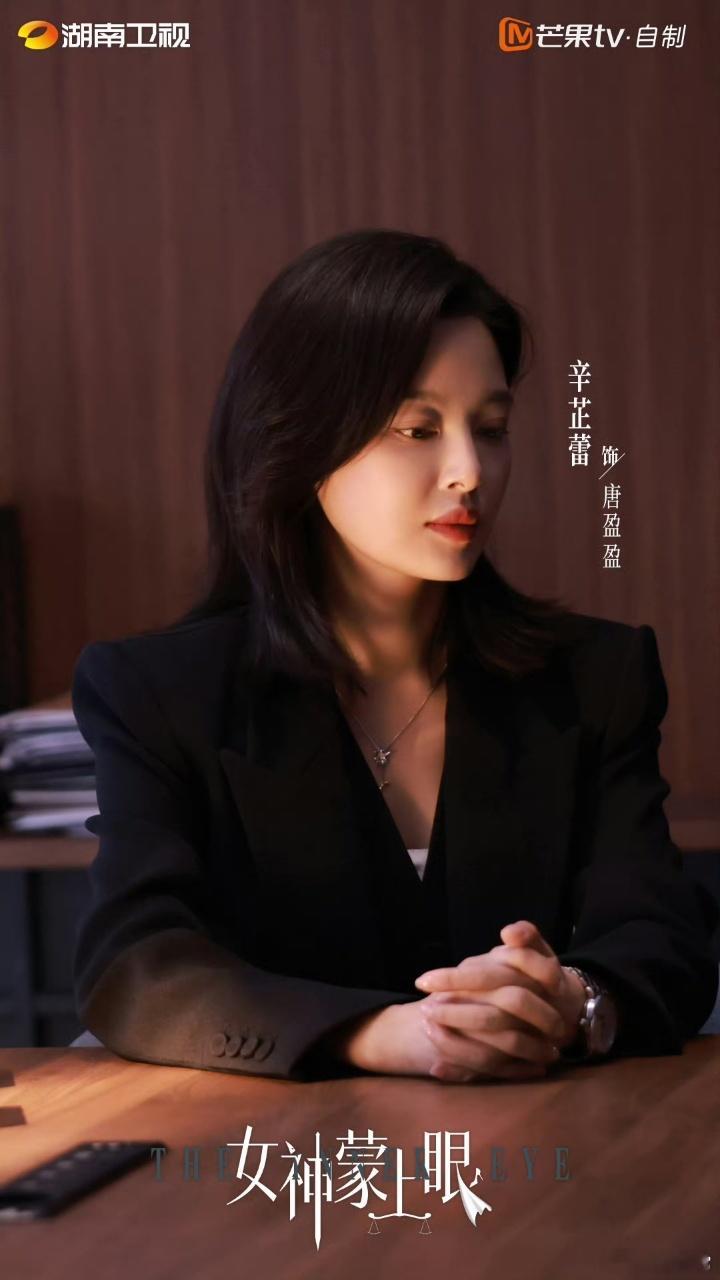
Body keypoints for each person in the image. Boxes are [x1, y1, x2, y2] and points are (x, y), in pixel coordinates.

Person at [71, 228, 719, 1085]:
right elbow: (136, 966)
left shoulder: (596, 676)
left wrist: (572, 1001)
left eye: (491, 428)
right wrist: (383, 1035)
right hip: (281, 1156)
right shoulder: (162, 693)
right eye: (418, 428)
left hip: (555, 1144)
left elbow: (663, 938)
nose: (468, 471)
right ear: (299, 442)